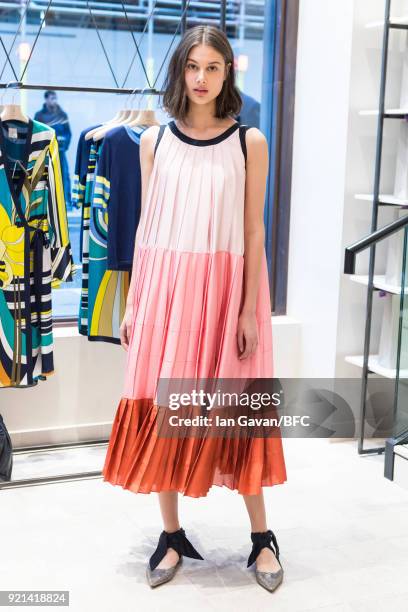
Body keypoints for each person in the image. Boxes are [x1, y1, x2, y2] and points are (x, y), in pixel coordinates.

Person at [102, 24, 287, 593]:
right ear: (180, 71)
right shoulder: (152, 142)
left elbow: (254, 230)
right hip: (166, 291)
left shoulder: (247, 142)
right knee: (163, 408)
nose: (201, 78)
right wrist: (136, 300)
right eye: (192, 66)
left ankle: (262, 538)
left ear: (228, 71)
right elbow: (146, 228)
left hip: (228, 289)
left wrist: (250, 310)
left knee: (234, 407)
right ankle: (171, 533)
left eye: (213, 67)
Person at [34, 91, 73, 209]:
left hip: (60, 151)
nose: (54, 100)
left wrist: (63, 143)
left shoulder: (63, 115)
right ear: (46, 99)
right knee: (42, 175)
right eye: (52, 98)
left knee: (64, 175)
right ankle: (41, 202)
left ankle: (66, 202)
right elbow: (36, 132)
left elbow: (68, 133)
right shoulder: (39, 115)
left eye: (55, 98)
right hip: (44, 152)